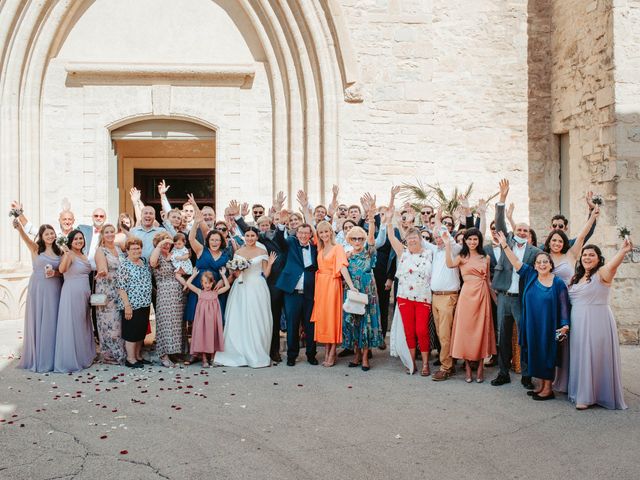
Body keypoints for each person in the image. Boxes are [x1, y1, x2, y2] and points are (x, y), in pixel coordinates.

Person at [497, 233, 570, 400]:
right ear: (535, 265)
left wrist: (565, 325)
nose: (542, 264)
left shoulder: (558, 283)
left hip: (548, 325)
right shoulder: (530, 275)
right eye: (539, 262)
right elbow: (515, 262)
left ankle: (548, 389)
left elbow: (564, 305)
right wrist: (505, 245)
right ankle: (541, 386)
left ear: (551, 265)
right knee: (534, 353)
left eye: (545, 262)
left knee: (547, 354)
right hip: (531, 324)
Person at [568, 241, 631, 410]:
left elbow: (612, 265)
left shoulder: (602, 273)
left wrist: (623, 251)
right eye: (585, 254)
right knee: (581, 354)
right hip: (578, 321)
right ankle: (582, 390)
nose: (587, 257)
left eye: (591, 255)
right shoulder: (576, 277)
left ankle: (589, 396)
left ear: (598, 259)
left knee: (595, 354)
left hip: (597, 319)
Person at [491, 179, 541, 389]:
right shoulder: (506, 243)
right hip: (504, 297)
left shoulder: (535, 253)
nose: (521, 233)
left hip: (522, 300)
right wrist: (502, 198)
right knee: (503, 337)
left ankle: (527, 375)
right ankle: (503, 372)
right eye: (519, 229)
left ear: (529, 236)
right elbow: (500, 223)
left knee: (525, 337)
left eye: (525, 231)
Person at [215, 227, 277, 368]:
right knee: (240, 317)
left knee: (257, 318)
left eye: (252, 235)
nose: (250, 238)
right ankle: (239, 352)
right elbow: (235, 274)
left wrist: (271, 263)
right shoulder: (238, 252)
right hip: (241, 287)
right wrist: (238, 270)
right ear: (244, 237)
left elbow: (265, 274)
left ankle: (257, 352)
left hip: (257, 286)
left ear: (257, 237)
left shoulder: (262, 252)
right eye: (247, 235)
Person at [235, 208, 287, 362]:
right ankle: (260, 348)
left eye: (266, 224)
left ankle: (274, 350)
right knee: (261, 317)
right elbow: (248, 231)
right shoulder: (258, 239)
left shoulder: (275, 237)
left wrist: (282, 223)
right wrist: (238, 216)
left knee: (275, 317)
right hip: (260, 284)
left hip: (277, 281)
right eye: (261, 225)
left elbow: (279, 235)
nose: (264, 227)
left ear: (271, 225)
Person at [386, 204, 434, 376]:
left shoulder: (430, 254)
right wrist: (390, 220)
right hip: (405, 297)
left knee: (421, 330)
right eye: (409, 238)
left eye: (415, 237)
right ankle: (411, 362)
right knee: (409, 330)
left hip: (422, 297)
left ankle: (426, 363)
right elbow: (391, 237)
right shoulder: (403, 253)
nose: (412, 240)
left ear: (421, 239)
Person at [444, 228, 496, 383]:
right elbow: (449, 264)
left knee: (481, 331)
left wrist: (495, 300)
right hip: (466, 295)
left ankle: (480, 367)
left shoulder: (485, 257)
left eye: (475, 239)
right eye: (469, 239)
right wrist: (447, 245)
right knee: (465, 330)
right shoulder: (462, 256)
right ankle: (467, 367)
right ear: (465, 241)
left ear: (479, 241)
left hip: (482, 295)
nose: (472, 242)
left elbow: (488, 281)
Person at [13, 221, 62, 373]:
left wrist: (55, 273)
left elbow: (62, 271)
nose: (50, 236)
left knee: (52, 320)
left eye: (52, 233)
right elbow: (26, 239)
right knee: (40, 319)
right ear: (41, 236)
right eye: (46, 234)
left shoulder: (59, 251)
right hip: (39, 287)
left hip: (55, 287)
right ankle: (39, 357)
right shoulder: (36, 248)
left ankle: (53, 356)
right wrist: (20, 228)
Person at [342, 219, 384, 371]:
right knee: (354, 322)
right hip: (352, 291)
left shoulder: (368, 253)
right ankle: (356, 355)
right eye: (354, 238)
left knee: (366, 323)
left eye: (360, 238)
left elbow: (372, 239)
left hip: (367, 291)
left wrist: (371, 220)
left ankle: (365, 357)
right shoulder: (347, 255)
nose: (357, 241)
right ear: (349, 240)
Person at [276, 223, 319, 366]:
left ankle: (311, 354)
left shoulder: (315, 248)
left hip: (310, 292)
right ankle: (291, 355)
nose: (303, 235)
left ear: (310, 235)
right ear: (296, 233)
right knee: (292, 324)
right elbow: (280, 240)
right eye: (301, 232)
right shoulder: (290, 243)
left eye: (306, 233)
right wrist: (281, 225)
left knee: (310, 325)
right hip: (292, 293)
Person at [310, 221, 352, 367]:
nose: (324, 235)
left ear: (331, 232)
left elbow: (342, 267)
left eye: (326, 232)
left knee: (332, 318)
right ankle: (327, 349)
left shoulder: (337, 248)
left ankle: (332, 352)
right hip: (321, 285)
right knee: (324, 318)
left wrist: (351, 286)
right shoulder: (320, 250)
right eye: (321, 233)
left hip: (333, 285)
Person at [54, 230, 95, 372]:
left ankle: (83, 356)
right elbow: (62, 269)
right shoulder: (69, 254)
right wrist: (66, 253)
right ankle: (71, 359)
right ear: (70, 241)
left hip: (84, 293)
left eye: (81, 238)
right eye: (76, 239)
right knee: (73, 324)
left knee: (83, 323)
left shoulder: (83, 255)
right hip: (72, 292)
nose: (79, 241)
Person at [185, 210, 230, 326]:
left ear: (221, 242)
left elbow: (227, 272)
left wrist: (221, 280)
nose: (214, 242)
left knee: (215, 319)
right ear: (208, 241)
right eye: (212, 240)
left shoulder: (225, 255)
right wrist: (196, 223)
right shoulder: (201, 250)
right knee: (198, 318)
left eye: (217, 240)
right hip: (199, 284)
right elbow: (191, 239)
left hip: (216, 287)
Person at [150, 233, 186, 368]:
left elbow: (182, 270)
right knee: (165, 323)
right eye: (162, 242)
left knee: (176, 324)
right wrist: (160, 245)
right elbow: (153, 263)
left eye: (167, 242)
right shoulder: (156, 255)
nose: (166, 244)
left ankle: (173, 352)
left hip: (177, 292)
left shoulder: (174, 255)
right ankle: (163, 355)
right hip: (164, 292)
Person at [116, 237, 153, 368]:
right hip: (131, 305)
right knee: (131, 333)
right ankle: (130, 359)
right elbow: (121, 287)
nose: (136, 250)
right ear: (127, 250)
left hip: (144, 303)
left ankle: (138, 356)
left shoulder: (143, 261)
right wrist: (127, 306)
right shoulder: (124, 265)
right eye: (133, 248)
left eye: (138, 248)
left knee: (140, 332)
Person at [183, 267, 229, 367]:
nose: (207, 285)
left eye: (209, 283)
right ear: (202, 283)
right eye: (205, 283)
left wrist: (223, 275)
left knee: (212, 336)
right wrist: (194, 275)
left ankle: (212, 358)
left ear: (213, 283)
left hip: (213, 320)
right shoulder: (200, 292)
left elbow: (227, 286)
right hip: (202, 320)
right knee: (202, 336)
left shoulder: (215, 293)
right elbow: (188, 284)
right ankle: (204, 359)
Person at [94, 224, 126, 365]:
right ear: (102, 234)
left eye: (112, 232)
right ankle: (109, 355)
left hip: (120, 289)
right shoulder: (100, 250)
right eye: (106, 232)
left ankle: (120, 351)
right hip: (107, 290)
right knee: (109, 323)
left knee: (119, 322)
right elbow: (102, 268)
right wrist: (102, 272)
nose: (109, 234)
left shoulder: (119, 248)